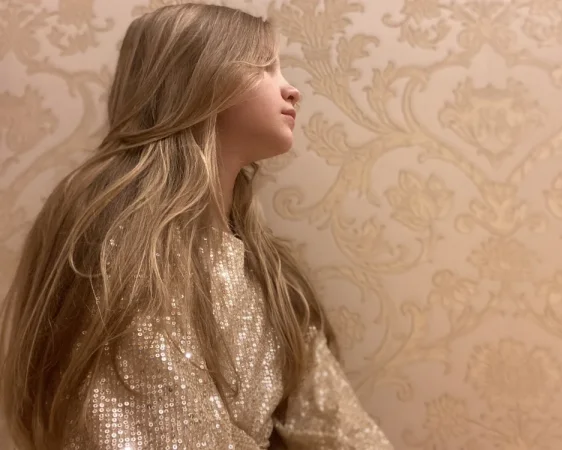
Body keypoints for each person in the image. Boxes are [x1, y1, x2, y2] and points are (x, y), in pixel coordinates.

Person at [0, 3, 393, 449]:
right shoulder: (120, 241)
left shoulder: (265, 271)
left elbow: (338, 425)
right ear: (199, 79)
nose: (292, 90)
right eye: (264, 67)